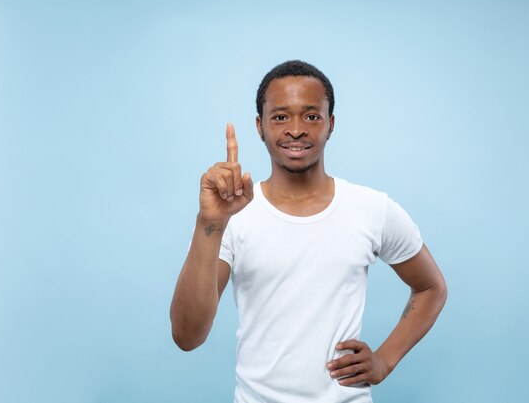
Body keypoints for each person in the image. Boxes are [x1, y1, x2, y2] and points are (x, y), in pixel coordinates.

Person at [170, 60, 447, 402]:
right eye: (281, 116)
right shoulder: (234, 215)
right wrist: (209, 224)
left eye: (312, 116)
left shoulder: (372, 208)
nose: (296, 129)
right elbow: (187, 336)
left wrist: (385, 360)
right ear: (260, 126)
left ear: (331, 124)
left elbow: (431, 287)